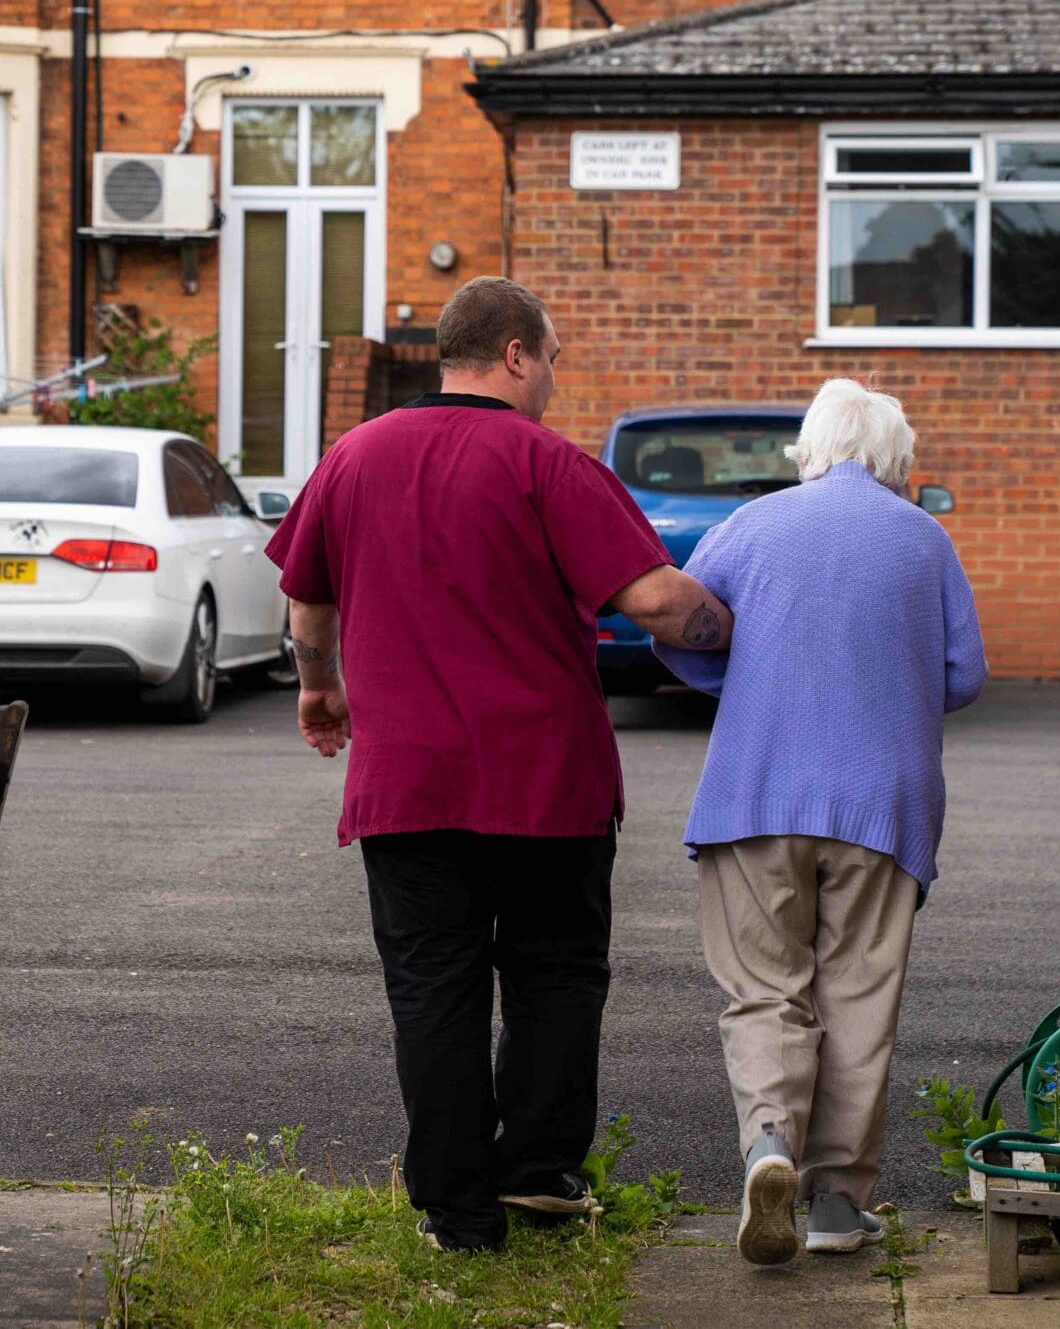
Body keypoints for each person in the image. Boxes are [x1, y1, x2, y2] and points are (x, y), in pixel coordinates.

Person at [264, 275, 734, 1253]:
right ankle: (538, 1177)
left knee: (432, 992)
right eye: (551, 360)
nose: (553, 381)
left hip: (405, 790)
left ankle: (456, 1211)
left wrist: (320, 688)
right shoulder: (547, 463)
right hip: (546, 786)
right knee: (554, 978)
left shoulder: (350, 458)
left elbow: (307, 609)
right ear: (516, 353)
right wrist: (742, 622)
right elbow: (654, 601)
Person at [651, 377, 987, 1265]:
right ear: (895, 462)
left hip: (755, 792)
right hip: (884, 801)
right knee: (858, 996)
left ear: (809, 449)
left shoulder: (754, 525)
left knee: (765, 988)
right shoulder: (924, 539)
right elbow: (964, 673)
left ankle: (769, 1144)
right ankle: (838, 1201)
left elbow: (678, 628)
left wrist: (743, 685)